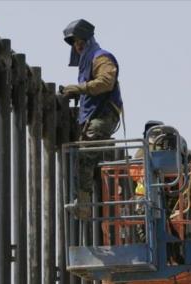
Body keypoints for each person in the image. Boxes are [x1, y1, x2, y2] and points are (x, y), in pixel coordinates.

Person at [60, 19, 123, 219]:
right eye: (74, 43)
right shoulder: (88, 61)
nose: (77, 46)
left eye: (80, 42)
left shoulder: (101, 57)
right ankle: (89, 201)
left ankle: (85, 205)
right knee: (88, 157)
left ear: (88, 40)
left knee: (85, 154)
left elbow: (106, 82)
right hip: (95, 116)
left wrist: (78, 88)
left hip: (103, 116)